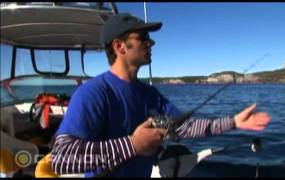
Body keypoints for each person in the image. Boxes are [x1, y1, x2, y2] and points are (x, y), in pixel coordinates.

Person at [51, 13, 271, 177]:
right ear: (120, 46)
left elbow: (183, 127)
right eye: (143, 37)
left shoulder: (151, 94)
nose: (151, 42)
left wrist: (233, 122)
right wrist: (132, 145)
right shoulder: (92, 93)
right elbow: (62, 159)